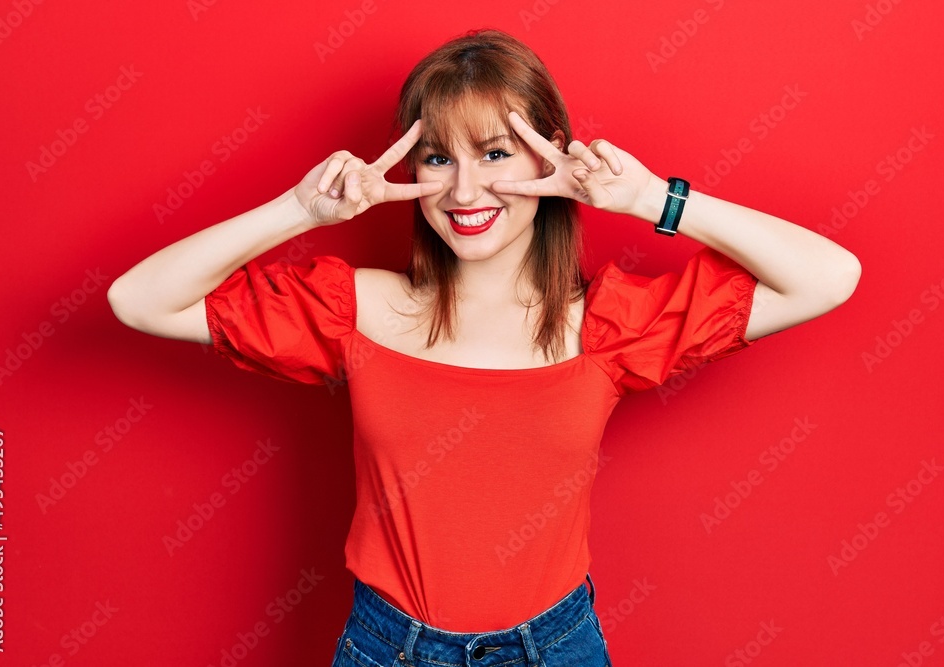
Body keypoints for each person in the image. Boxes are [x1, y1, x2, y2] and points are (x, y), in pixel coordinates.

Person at [107, 28, 860, 667]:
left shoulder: (604, 324)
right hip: (387, 644)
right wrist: (299, 209)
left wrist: (648, 198)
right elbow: (138, 299)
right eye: (438, 158)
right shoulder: (359, 310)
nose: (465, 192)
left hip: (555, 645)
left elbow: (828, 276)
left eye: (496, 154)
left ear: (549, 158)